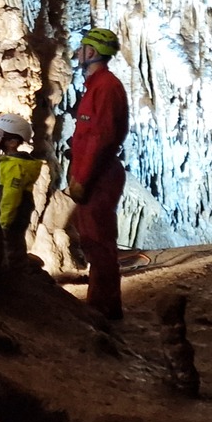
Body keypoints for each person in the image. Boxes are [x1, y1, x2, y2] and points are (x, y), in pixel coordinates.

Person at [66, 27, 130, 320]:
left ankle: (103, 308)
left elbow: (100, 137)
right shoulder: (97, 86)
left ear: (91, 53)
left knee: (99, 242)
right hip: (95, 171)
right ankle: (102, 303)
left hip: (99, 175)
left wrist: (83, 178)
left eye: (81, 49)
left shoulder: (105, 87)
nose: (78, 53)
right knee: (94, 241)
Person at [0, 112, 45, 265]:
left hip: (12, 216)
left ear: (12, 142)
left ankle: (13, 279)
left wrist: (3, 223)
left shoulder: (15, 166)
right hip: (10, 214)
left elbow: (11, 196)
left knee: (9, 251)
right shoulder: (7, 161)